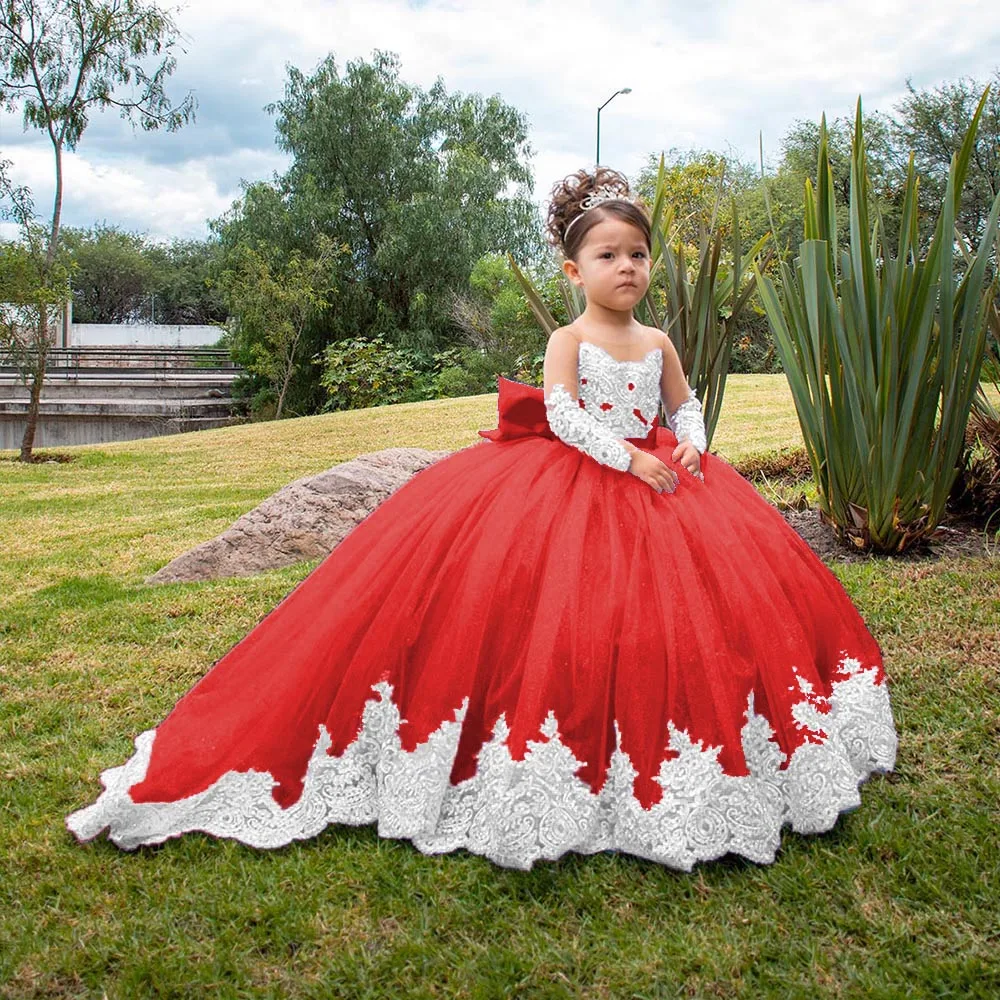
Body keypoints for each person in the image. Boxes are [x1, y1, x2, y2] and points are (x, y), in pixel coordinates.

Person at [66, 167, 898, 872]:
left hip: (667, 487)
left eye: (638, 254)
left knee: (686, 618)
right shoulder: (570, 339)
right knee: (540, 612)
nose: (628, 267)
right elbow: (567, 417)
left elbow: (688, 408)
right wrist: (628, 458)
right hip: (578, 478)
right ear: (574, 270)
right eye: (608, 255)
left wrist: (686, 446)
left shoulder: (660, 341)